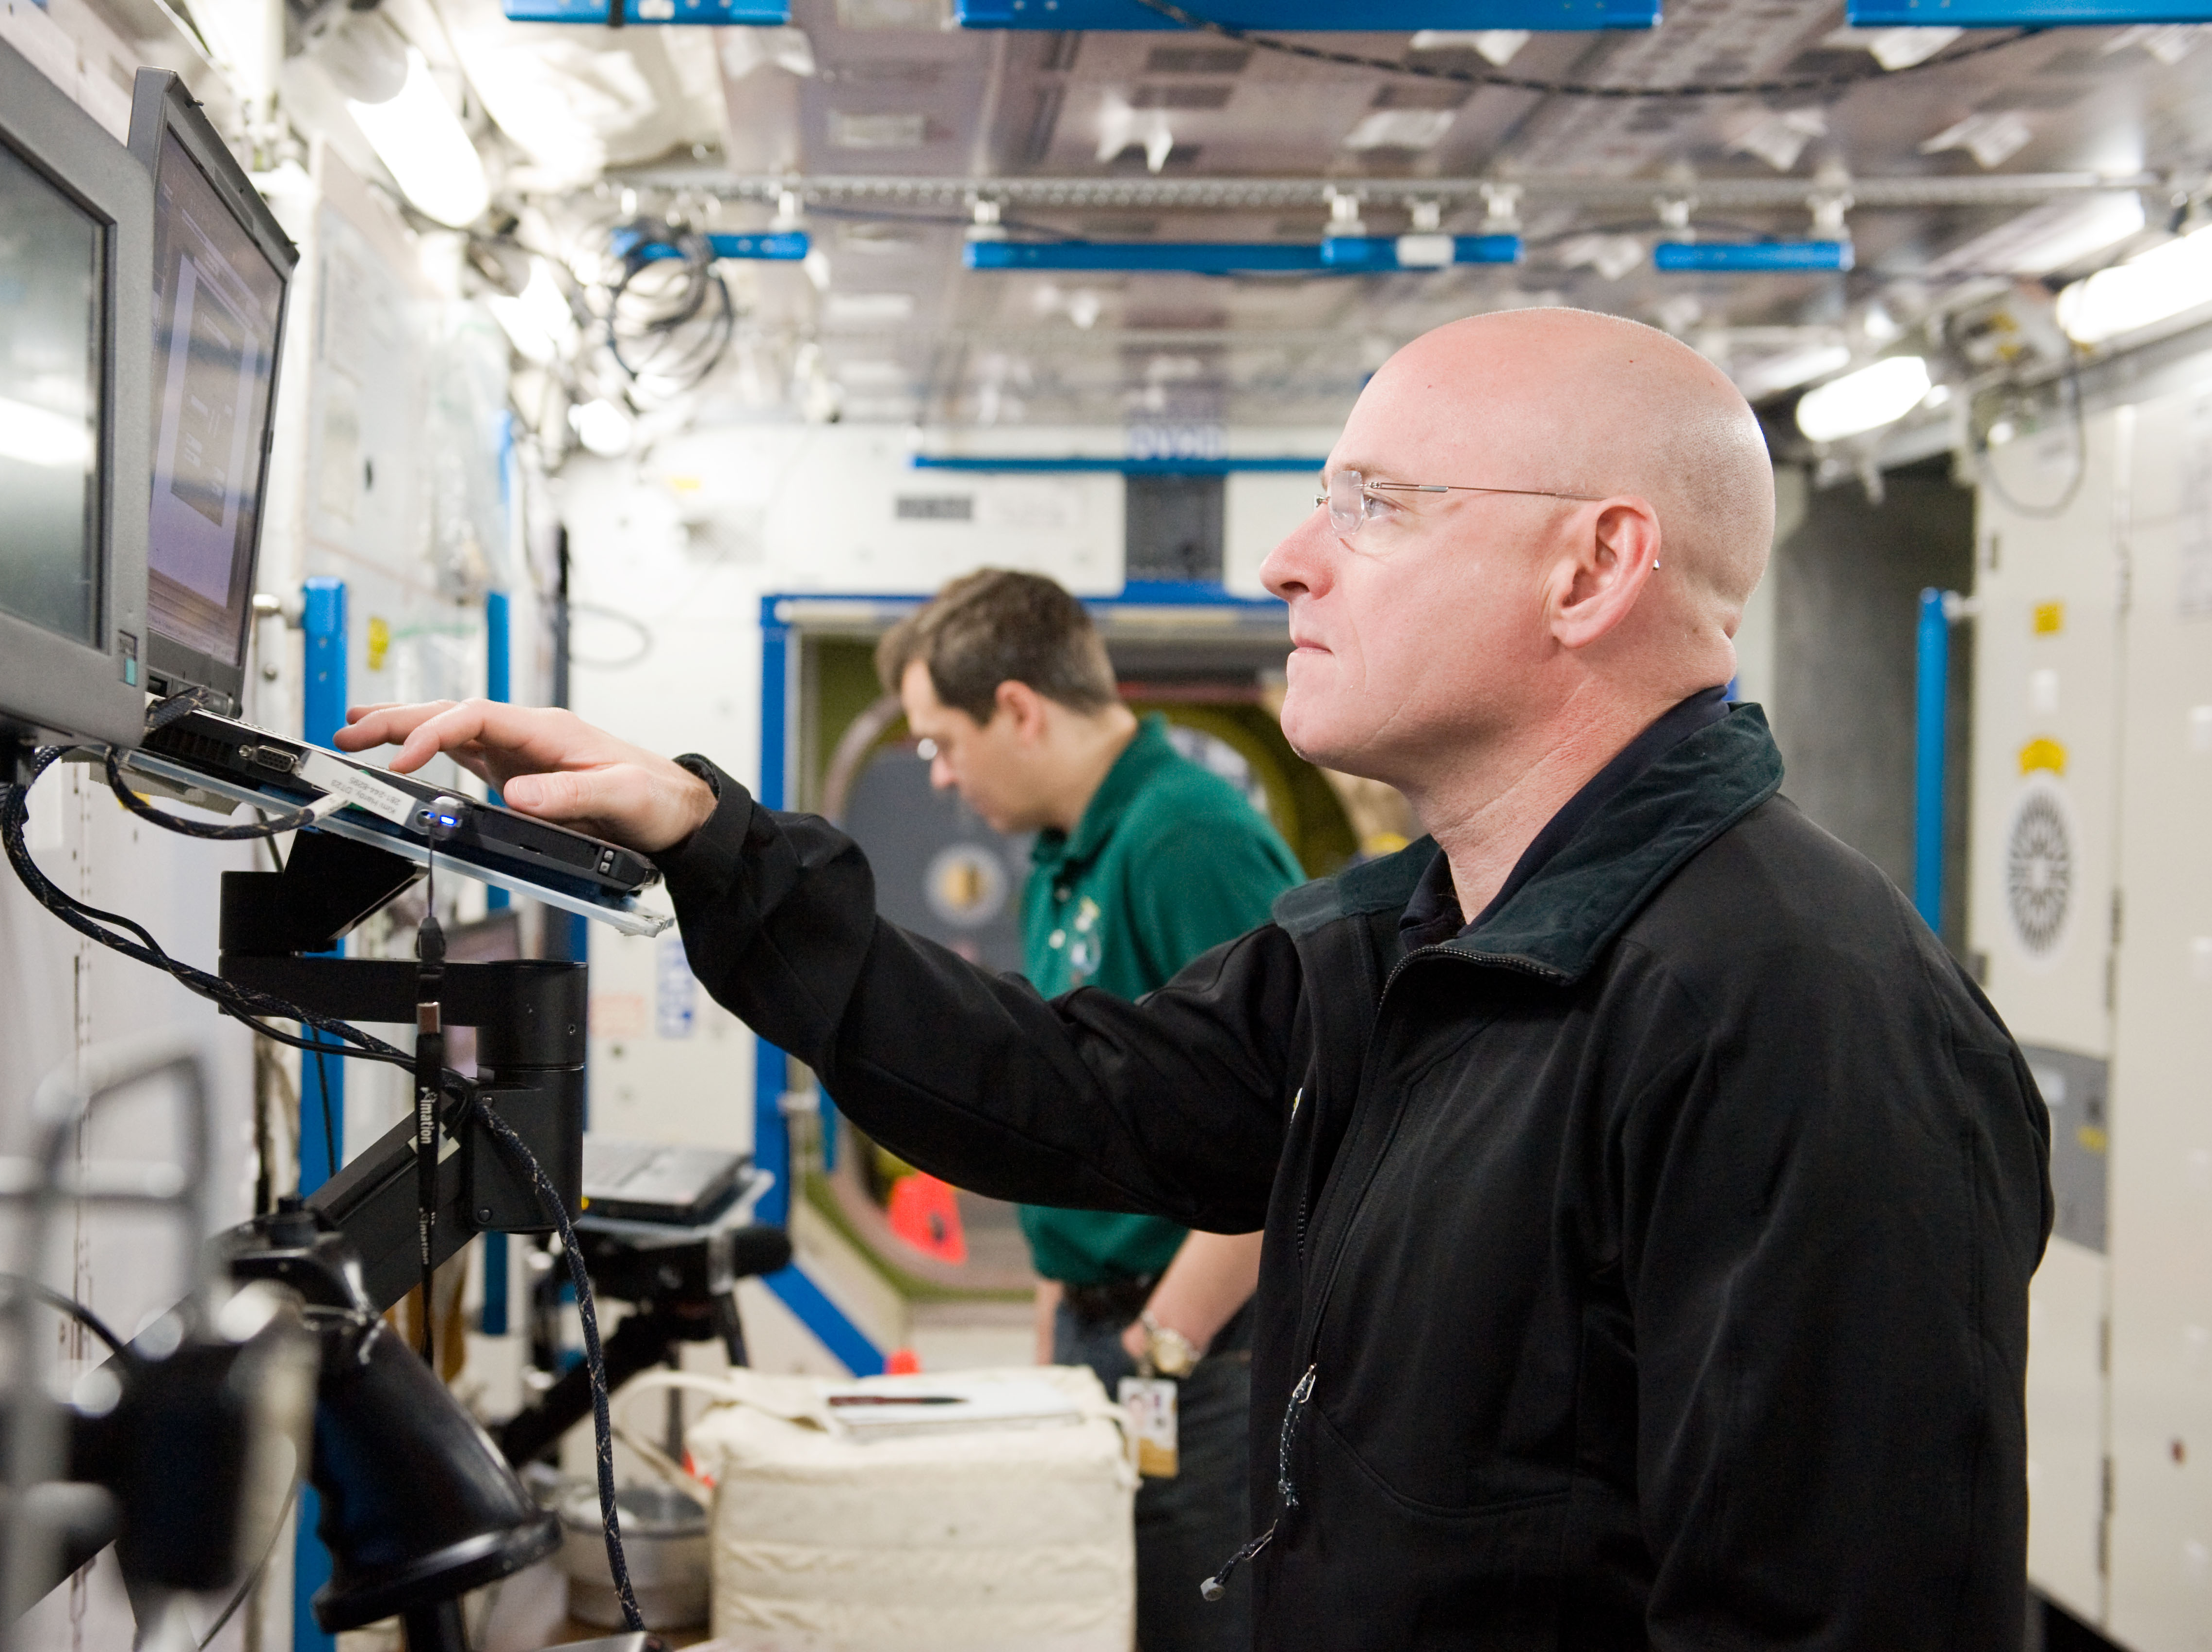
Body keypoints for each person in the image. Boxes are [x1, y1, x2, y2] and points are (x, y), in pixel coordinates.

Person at [339, 307, 2053, 1650]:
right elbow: (1064, 1090)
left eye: (1373, 506)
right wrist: (710, 841)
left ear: (1593, 567)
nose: (1287, 561)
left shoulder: (1807, 1023)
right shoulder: (1404, 945)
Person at [873, 567, 1303, 1652]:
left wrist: (1164, 1343)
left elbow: (1295, 1117)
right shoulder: (1063, 861)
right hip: (1102, 1330)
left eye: (942, 743)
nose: (940, 776)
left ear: (1018, 709)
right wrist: (1059, 1334)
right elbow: (1075, 1124)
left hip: (1202, 1354)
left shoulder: (1185, 840)